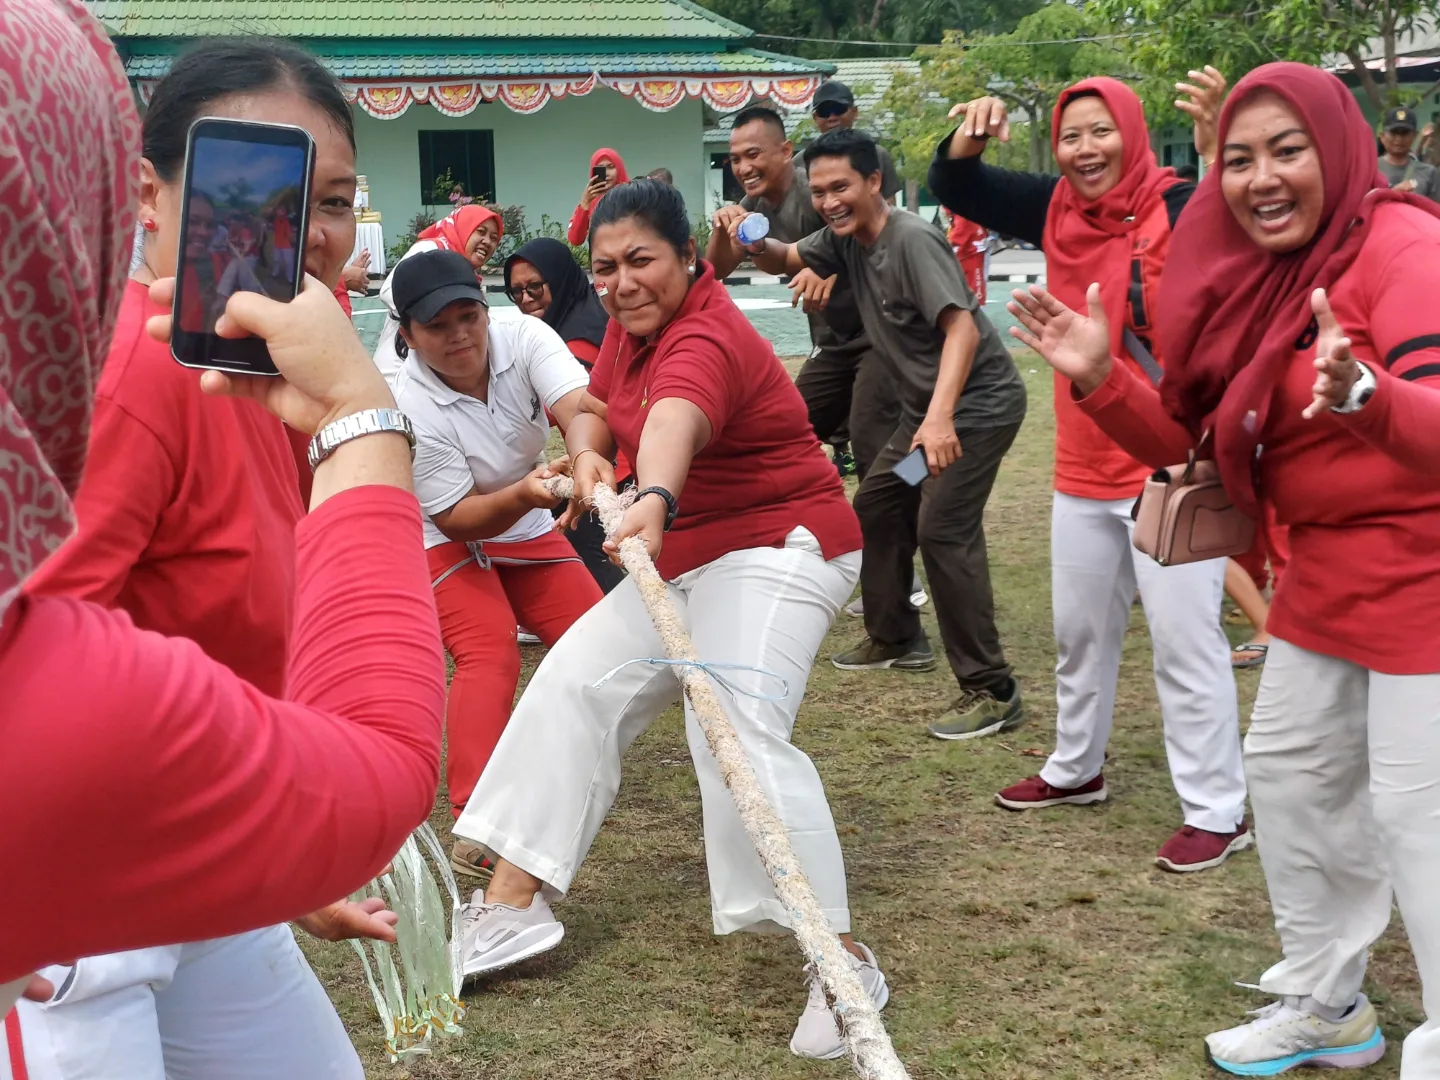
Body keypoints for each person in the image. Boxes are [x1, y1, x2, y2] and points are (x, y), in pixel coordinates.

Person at [3, 0, 442, 1027]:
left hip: (197, 829)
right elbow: (48, 639)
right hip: (88, 895)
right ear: (141, 197)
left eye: (328, 200)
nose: (301, 237)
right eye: (249, 196)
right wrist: (365, 425)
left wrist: (272, 819)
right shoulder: (135, 379)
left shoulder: (273, 380)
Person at [1008, 61, 1440, 1075]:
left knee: (1418, 813)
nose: (1260, 179)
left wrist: (1364, 394)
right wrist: (1103, 377)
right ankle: (1331, 1006)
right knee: (1293, 791)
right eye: (1238, 158)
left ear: (1339, 149)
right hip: (1321, 587)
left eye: (1288, 151)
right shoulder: (1259, 275)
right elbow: (1190, 439)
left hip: (1427, 582)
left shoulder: (1405, 247)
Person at [451, 179, 890, 1060]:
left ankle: (840, 961)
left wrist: (650, 495)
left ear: (689, 258)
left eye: (641, 261)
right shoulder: (627, 328)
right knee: (573, 679)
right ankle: (511, 907)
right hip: (682, 556)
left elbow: (674, 419)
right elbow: (604, 411)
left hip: (783, 547)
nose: (620, 282)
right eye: (605, 267)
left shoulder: (706, 334)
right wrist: (587, 454)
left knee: (729, 718)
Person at [926, 73, 1251, 870]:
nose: (1085, 149)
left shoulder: (1179, 205)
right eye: (1071, 135)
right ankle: (1076, 770)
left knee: (1185, 644)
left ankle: (1219, 808)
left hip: (1169, 459)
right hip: (1081, 461)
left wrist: (1217, 149)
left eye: (1101, 131)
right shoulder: (1053, 206)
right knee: (1079, 634)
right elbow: (953, 181)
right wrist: (971, 127)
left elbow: (1241, 233)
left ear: (1133, 132)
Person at [746, 129, 1029, 737]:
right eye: (819, 191)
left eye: (841, 186)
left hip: (971, 414)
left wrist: (940, 418)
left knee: (943, 528)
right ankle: (898, 635)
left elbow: (962, 331)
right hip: (921, 424)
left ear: (875, 182)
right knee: (879, 500)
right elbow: (786, 258)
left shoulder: (909, 239)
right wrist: (741, 236)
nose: (828, 201)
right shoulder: (847, 238)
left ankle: (992, 688)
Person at [389, 248, 604, 880]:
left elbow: (579, 413)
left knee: (596, 644)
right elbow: (457, 516)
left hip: (527, 509)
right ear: (407, 334)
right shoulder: (410, 404)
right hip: (440, 530)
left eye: (468, 315)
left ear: (487, 310)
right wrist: (526, 494)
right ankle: (477, 822)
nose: (459, 335)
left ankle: (555, 772)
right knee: (490, 650)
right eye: (436, 325)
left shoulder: (526, 336)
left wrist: (587, 457)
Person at [706, 107, 923, 616]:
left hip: (882, 337)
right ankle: (778, 555)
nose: (743, 166)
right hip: (834, 344)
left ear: (787, 152)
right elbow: (716, 271)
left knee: (879, 458)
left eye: (753, 154)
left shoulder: (819, 191)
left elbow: (872, 241)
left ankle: (903, 573)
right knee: (784, 431)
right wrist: (724, 228)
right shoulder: (753, 205)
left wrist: (829, 273)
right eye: (735, 158)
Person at [504, 237, 628, 593]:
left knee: (585, 541)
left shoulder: (577, 342)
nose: (526, 299)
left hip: (614, 467)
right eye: (516, 292)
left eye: (535, 287)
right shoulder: (590, 312)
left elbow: (576, 410)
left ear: (558, 281)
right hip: (612, 458)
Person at [373, 203, 503, 380]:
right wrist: (429, 312)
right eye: (480, 231)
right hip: (398, 366)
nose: (487, 241)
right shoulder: (430, 251)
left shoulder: (464, 271)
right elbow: (388, 291)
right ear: (464, 228)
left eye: (494, 238)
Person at [809, 81, 902, 204]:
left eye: (839, 109)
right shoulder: (802, 163)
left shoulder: (877, 155)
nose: (832, 118)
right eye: (824, 112)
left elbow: (890, 207)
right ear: (815, 118)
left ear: (854, 112)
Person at [566, 147, 628, 245]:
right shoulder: (589, 202)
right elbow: (575, 240)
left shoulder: (632, 196)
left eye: (611, 167)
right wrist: (584, 205)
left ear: (619, 169)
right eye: (601, 168)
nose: (606, 173)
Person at [1378, 105, 1440, 200]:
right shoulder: (1368, 170)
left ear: (1415, 135)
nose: (1399, 139)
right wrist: (1394, 194)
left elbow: (1435, 211)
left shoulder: (1429, 173)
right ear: (1382, 136)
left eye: (1404, 133)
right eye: (1393, 132)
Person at [947, 209, 991, 304]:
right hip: (968, 254)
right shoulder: (960, 215)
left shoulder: (962, 217)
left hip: (971, 255)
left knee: (976, 290)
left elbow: (954, 239)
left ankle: (977, 315)